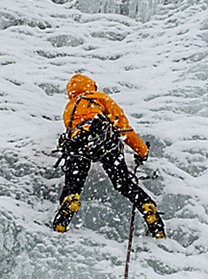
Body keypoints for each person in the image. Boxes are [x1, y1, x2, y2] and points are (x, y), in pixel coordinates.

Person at [53, 73, 165, 238]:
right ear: (90, 85)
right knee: (123, 183)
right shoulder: (99, 97)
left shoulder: (69, 108)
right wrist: (142, 151)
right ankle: (147, 207)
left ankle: (69, 202)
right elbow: (124, 128)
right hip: (105, 142)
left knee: (73, 183)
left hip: (79, 146)